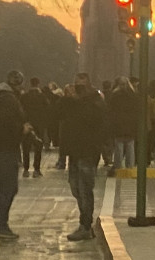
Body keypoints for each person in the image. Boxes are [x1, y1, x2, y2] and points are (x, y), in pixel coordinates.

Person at [60, 71, 109, 240]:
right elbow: (58, 114)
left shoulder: (95, 102)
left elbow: (92, 120)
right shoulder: (73, 101)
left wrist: (77, 101)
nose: (78, 87)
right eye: (76, 83)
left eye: (81, 84)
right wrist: (67, 99)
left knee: (85, 188)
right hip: (74, 150)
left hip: (88, 150)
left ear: (88, 84)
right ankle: (85, 222)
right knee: (75, 187)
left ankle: (85, 225)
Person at [0, 72, 29, 240]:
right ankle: (0, 225)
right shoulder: (9, 102)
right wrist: (21, 130)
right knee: (7, 188)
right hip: (5, 151)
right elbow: (7, 127)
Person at [106, 76, 138, 174]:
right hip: (131, 123)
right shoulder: (133, 95)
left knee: (119, 145)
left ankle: (118, 166)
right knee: (130, 145)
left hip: (118, 123)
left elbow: (111, 110)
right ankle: (130, 166)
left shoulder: (115, 95)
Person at [21, 76, 48, 176]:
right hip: (39, 124)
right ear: (38, 84)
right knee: (38, 146)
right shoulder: (42, 96)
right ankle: (36, 169)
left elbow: (20, 109)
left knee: (26, 147)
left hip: (27, 123)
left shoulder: (24, 96)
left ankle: (26, 169)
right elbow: (47, 109)